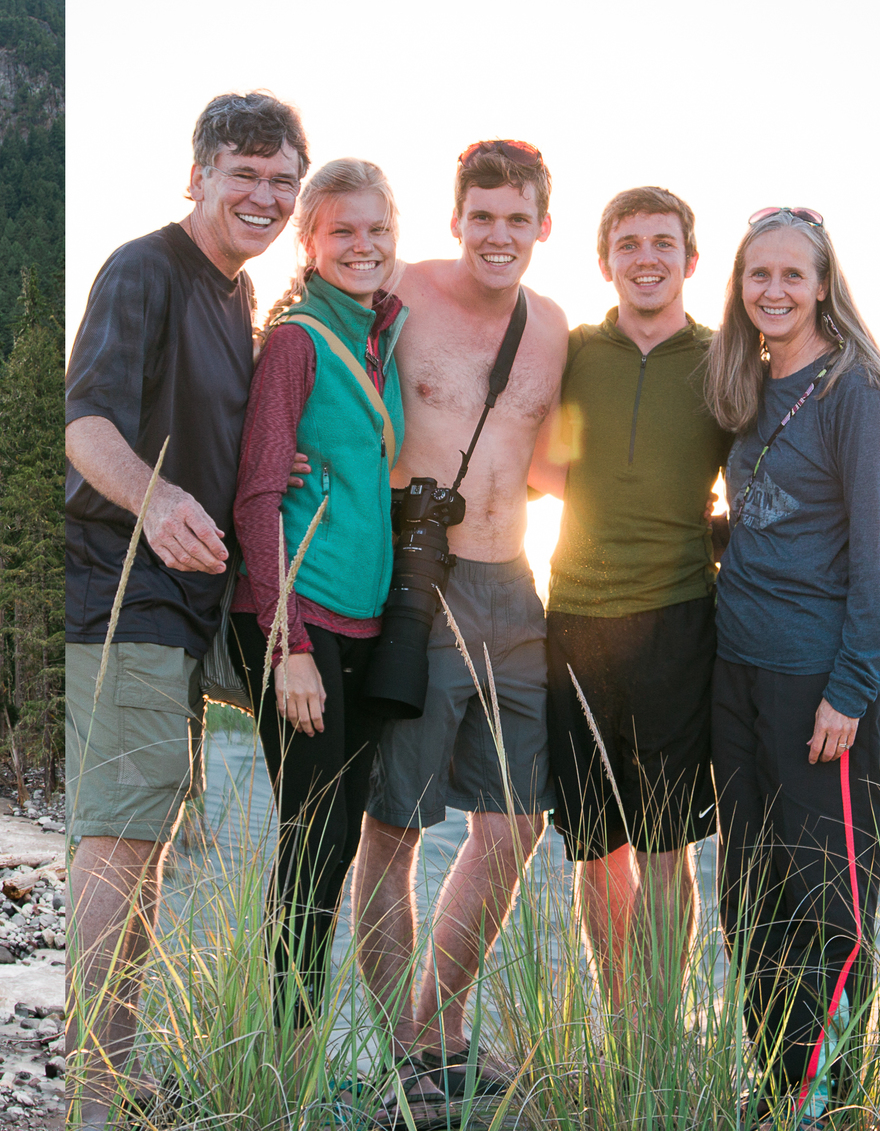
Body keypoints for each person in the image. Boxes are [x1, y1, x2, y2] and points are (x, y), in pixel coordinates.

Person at [58, 90, 306, 1125]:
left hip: (189, 610)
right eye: (243, 173)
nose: (263, 195)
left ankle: (114, 1068)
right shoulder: (145, 267)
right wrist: (155, 499)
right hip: (120, 594)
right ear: (196, 174)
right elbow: (84, 423)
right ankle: (89, 1088)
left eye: (281, 181)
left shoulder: (234, 295)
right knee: (119, 838)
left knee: (150, 835)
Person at [352, 139, 569, 1099]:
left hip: (517, 588)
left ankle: (437, 1022)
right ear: (456, 219)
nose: (498, 235)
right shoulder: (399, 289)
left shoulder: (555, 327)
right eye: (482, 216)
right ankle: (409, 1046)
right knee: (391, 827)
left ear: (542, 228)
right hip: (417, 585)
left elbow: (554, 461)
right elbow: (311, 358)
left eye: (516, 219)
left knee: (515, 826)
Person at [705, 207, 880, 1126]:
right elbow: (767, 518)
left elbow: (879, 557)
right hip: (736, 673)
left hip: (819, 683)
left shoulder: (857, 392)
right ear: (739, 287)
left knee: (829, 901)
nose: (773, 291)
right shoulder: (749, 385)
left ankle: (827, 1101)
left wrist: (852, 691)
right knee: (750, 898)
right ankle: (774, 1088)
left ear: (823, 285)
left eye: (792, 275)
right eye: (758, 276)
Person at [226, 158, 408, 1077]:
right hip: (300, 622)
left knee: (336, 840)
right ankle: (287, 1062)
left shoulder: (382, 334)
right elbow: (258, 495)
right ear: (311, 242)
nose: (363, 246)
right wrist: (286, 644)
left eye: (377, 230)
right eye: (343, 231)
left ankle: (301, 1048)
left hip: (366, 625)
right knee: (310, 839)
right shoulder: (298, 342)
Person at [535, 186, 733, 1013]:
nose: (645, 257)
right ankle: (621, 1025)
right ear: (606, 260)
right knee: (594, 848)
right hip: (574, 620)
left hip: (678, 622)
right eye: (628, 243)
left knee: (663, 847)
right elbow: (541, 461)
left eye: (663, 243)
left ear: (690, 260)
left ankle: (660, 1028)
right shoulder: (575, 351)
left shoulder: (726, 359)